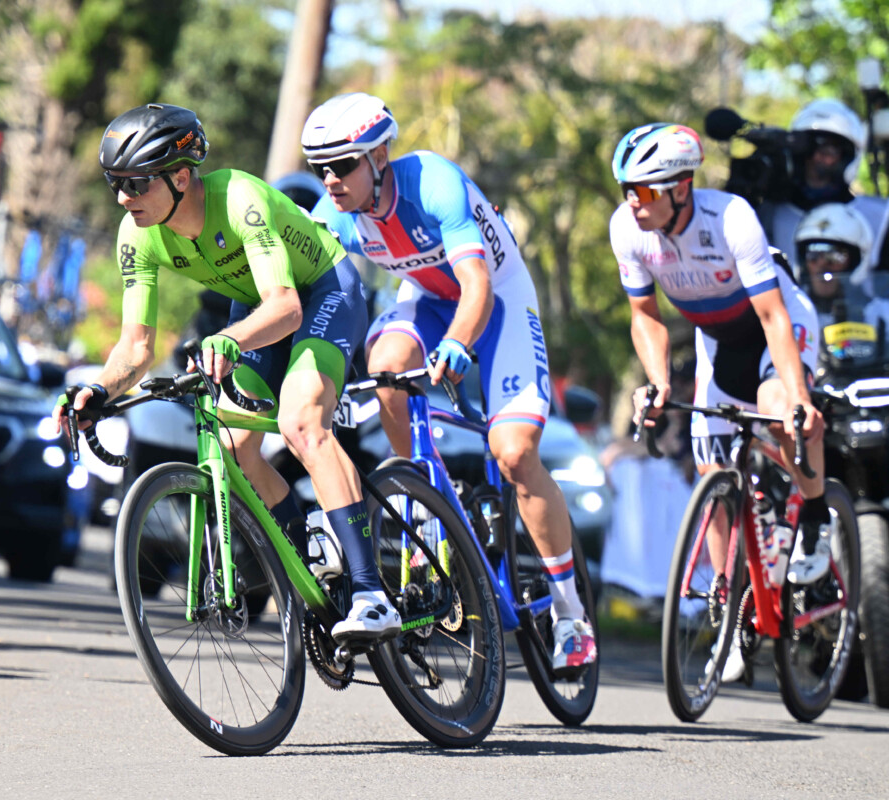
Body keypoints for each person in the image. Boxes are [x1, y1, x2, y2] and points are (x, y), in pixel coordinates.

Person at [59, 103, 399, 642]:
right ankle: (307, 559)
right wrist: (99, 388)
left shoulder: (239, 198)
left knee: (302, 422)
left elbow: (287, 307)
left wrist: (228, 340)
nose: (124, 198)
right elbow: (136, 345)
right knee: (237, 448)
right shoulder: (137, 234)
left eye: (136, 183)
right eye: (114, 183)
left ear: (180, 175)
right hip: (255, 307)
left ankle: (371, 593)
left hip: (321, 291)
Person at [301, 92, 596, 674]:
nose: (331, 181)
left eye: (343, 165)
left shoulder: (432, 182)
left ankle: (570, 614)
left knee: (513, 454)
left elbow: (477, 286)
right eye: (321, 169)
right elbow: (312, 290)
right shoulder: (335, 215)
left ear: (379, 156)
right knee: (386, 364)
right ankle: (423, 493)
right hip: (429, 300)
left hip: (496, 300)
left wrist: (460, 343)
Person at [610, 123, 830, 679]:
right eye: (626, 191)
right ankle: (729, 614)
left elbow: (773, 315)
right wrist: (658, 382)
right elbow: (645, 318)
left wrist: (799, 398)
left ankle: (818, 520)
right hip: (717, 341)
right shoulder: (628, 230)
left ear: (680, 189)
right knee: (712, 469)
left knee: (783, 411)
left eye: (643, 191)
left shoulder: (730, 217)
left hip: (775, 325)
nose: (632, 203)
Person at [757, 98, 889, 273]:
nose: (817, 158)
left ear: (849, 156)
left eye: (829, 150)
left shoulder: (880, 217)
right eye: (808, 149)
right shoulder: (769, 214)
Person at [793, 202, 889, 330]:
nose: (822, 264)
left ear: (855, 263)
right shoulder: (792, 314)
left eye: (834, 256)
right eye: (813, 254)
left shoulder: (880, 314)